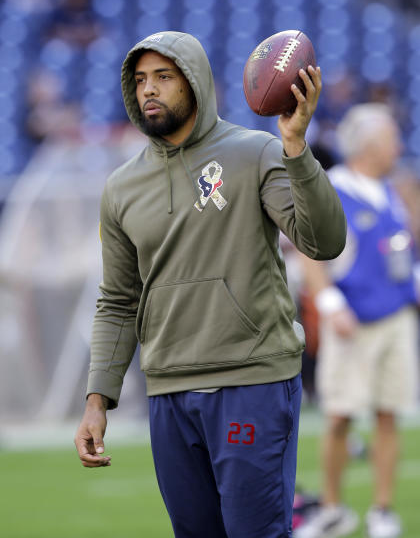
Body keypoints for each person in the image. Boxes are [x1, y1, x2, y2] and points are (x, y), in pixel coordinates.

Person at [74, 31, 346, 538]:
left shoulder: (257, 151)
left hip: (252, 383)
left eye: (163, 77)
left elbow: (323, 241)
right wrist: (97, 400)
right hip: (168, 392)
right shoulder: (121, 188)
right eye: (139, 81)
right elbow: (117, 300)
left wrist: (295, 147)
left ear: (194, 83)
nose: (148, 90)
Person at [295, 103, 419, 538]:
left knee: (389, 413)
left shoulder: (392, 191)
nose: (398, 147)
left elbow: (402, 254)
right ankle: (332, 507)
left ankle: (382, 509)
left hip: (396, 316)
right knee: (339, 415)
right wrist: (329, 303)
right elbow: (309, 248)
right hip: (352, 317)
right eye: (391, 138)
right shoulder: (334, 187)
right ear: (370, 143)